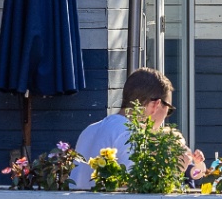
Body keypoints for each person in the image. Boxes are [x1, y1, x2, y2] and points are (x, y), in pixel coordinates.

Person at [71, 67, 205, 187]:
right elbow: (136, 194)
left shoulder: (90, 130)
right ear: (156, 105)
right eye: (168, 110)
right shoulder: (130, 134)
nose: (166, 117)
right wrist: (175, 170)